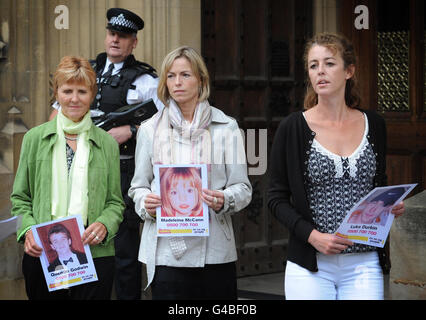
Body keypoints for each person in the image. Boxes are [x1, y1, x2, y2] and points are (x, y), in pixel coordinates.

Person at [267, 32, 405, 300]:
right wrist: (312, 236)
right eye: (313, 65)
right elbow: (275, 198)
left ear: (349, 71)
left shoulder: (374, 125)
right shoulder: (292, 127)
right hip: (310, 265)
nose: (321, 71)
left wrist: (389, 206)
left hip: (364, 263)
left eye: (329, 63)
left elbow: (378, 186)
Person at [49, 8, 164, 300]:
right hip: (77, 170)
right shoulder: (86, 71)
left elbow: (164, 126)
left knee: (124, 251)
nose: (115, 40)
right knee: (74, 241)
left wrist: (133, 131)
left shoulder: (146, 80)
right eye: (112, 34)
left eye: (123, 36)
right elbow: (55, 115)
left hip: (122, 172)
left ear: (133, 42)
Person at [128, 46, 252, 300]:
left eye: (185, 75)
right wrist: (146, 203)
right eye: (171, 76)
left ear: (201, 80)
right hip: (166, 251)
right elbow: (138, 186)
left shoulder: (227, 127)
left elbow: (243, 188)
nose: (177, 82)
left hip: (215, 251)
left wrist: (223, 199)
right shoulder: (150, 129)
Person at [11, 56, 124, 300]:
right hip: (43, 253)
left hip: (95, 254)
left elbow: (115, 202)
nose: (74, 98)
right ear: (57, 93)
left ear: (92, 94)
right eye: (67, 90)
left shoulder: (106, 143)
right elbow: (20, 197)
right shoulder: (34, 138)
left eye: (82, 91)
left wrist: (105, 223)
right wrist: (28, 230)